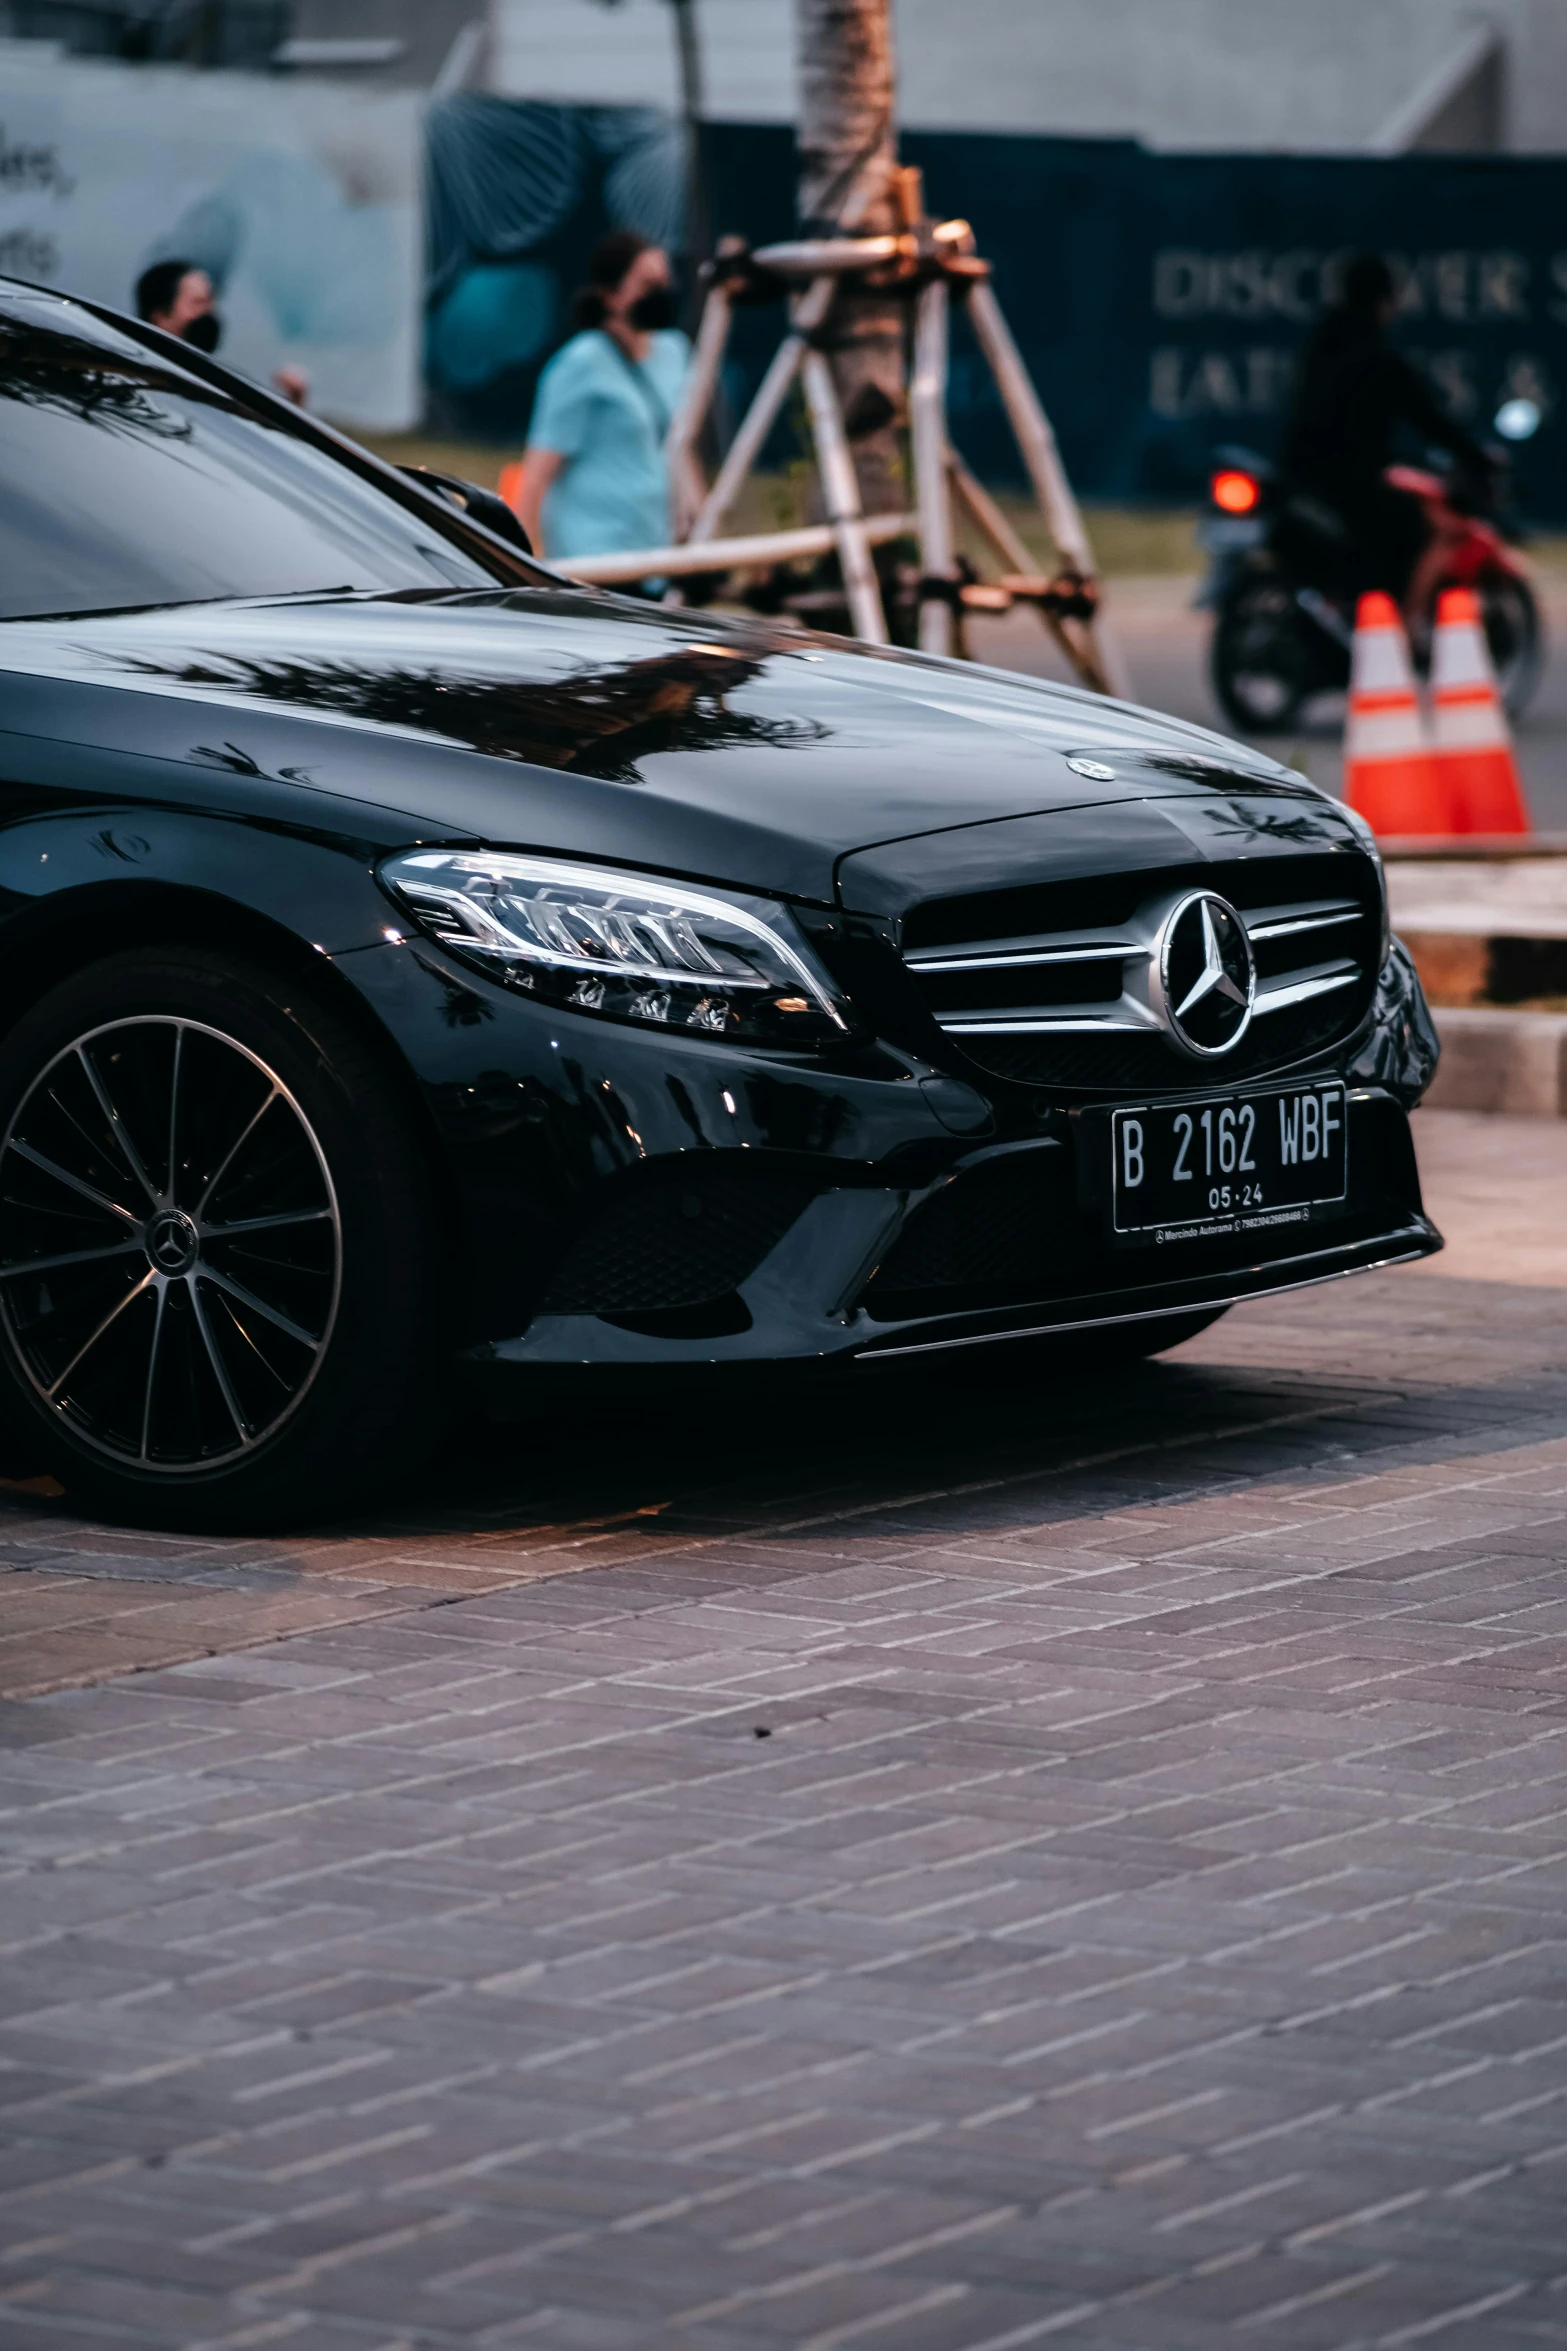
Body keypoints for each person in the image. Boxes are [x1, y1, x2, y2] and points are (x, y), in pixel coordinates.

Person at [1282, 252, 1491, 623]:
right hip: (1350, 482)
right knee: (1439, 530)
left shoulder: (1321, 343)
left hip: (1300, 475)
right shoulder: (1379, 356)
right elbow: (1431, 420)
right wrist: (1479, 458)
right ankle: (1405, 623)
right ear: (1385, 301)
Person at [512, 232, 689, 572]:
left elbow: (679, 444)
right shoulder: (579, 364)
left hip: (655, 552)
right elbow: (536, 473)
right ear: (610, 296)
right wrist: (525, 565)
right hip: (594, 557)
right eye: (648, 285)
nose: (662, 294)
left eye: (665, 283)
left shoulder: (675, 351)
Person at [133, 257, 309, 408]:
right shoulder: (135, 379)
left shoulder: (218, 385)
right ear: (160, 316)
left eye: (210, 303)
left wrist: (293, 402)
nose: (209, 313)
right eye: (197, 303)